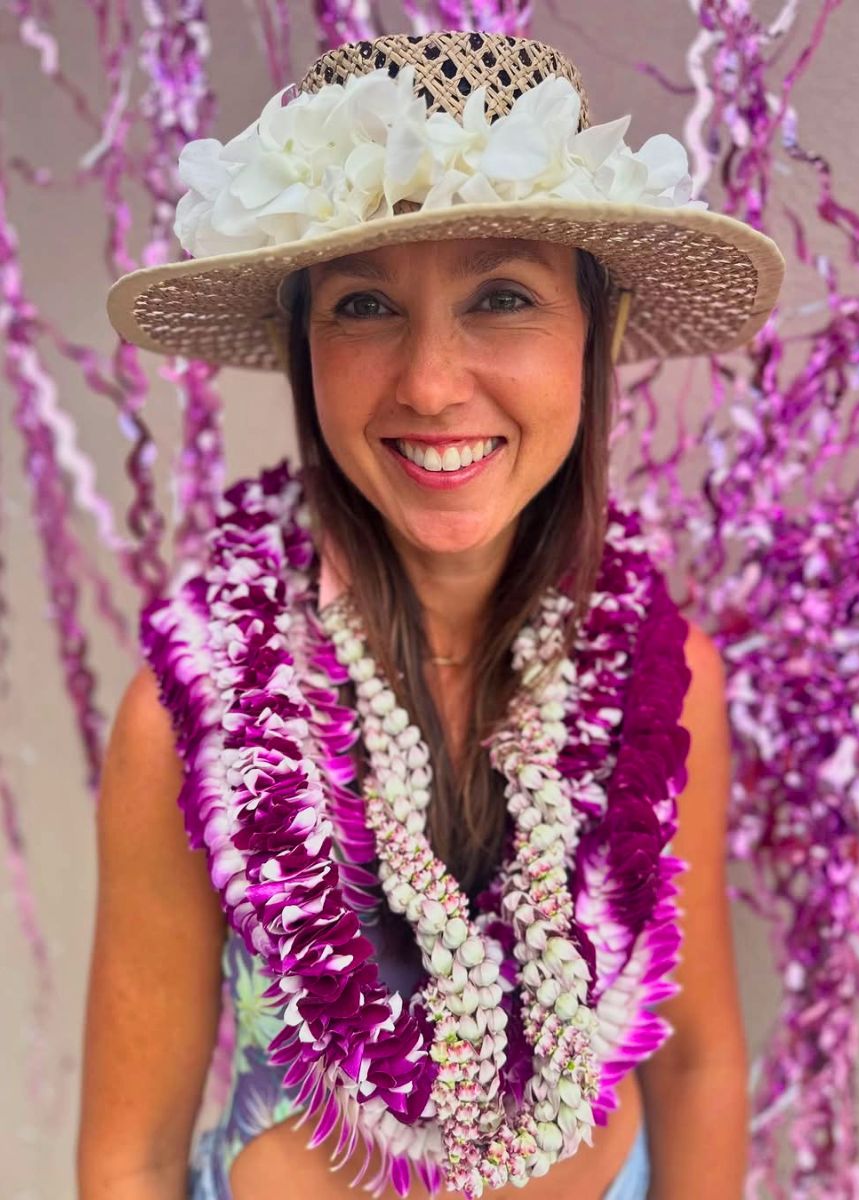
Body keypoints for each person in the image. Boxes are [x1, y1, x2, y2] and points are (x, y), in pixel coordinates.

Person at [78, 29, 784, 1200]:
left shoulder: (666, 683)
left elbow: (700, 1062)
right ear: (303, 354)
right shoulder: (191, 727)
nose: (430, 383)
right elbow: (131, 1157)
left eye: (501, 297)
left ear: (595, 336)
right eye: (363, 306)